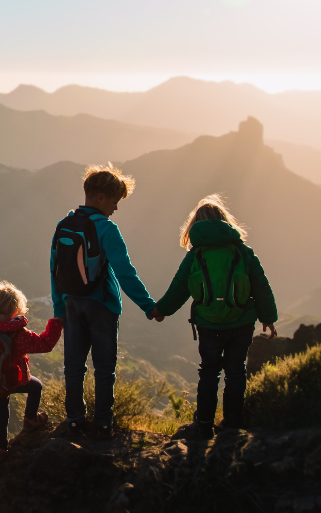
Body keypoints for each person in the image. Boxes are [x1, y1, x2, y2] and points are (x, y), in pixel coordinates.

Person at [50, 164, 162, 442]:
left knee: (74, 367)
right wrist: (148, 305)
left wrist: (58, 309)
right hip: (102, 306)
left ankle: (74, 421)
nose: (115, 207)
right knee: (104, 369)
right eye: (114, 201)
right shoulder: (106, 229)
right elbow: (125, 272)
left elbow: (53, 269)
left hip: (72, 304)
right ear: (100, 197)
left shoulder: (64, 225)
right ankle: (103, 425)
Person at [152, 194, 278, 437]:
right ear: (224, 221)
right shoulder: (243, 251)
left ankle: (204, 425)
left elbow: (178, 289)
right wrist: (268, 318)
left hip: (208, 324)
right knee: (236, 370)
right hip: (241, 322)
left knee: (209, 372)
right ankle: (232, 423)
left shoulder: (196, 255)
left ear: (195, 225)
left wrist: (160, 311)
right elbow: (261, 286)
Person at [0, 281, 63, 457]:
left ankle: (1, 448)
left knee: (0, 412)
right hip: (14, 381)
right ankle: (31, 419)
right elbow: (45, 344)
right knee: (36, 386)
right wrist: (57, 322)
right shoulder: (19, 334)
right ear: (16, 309)